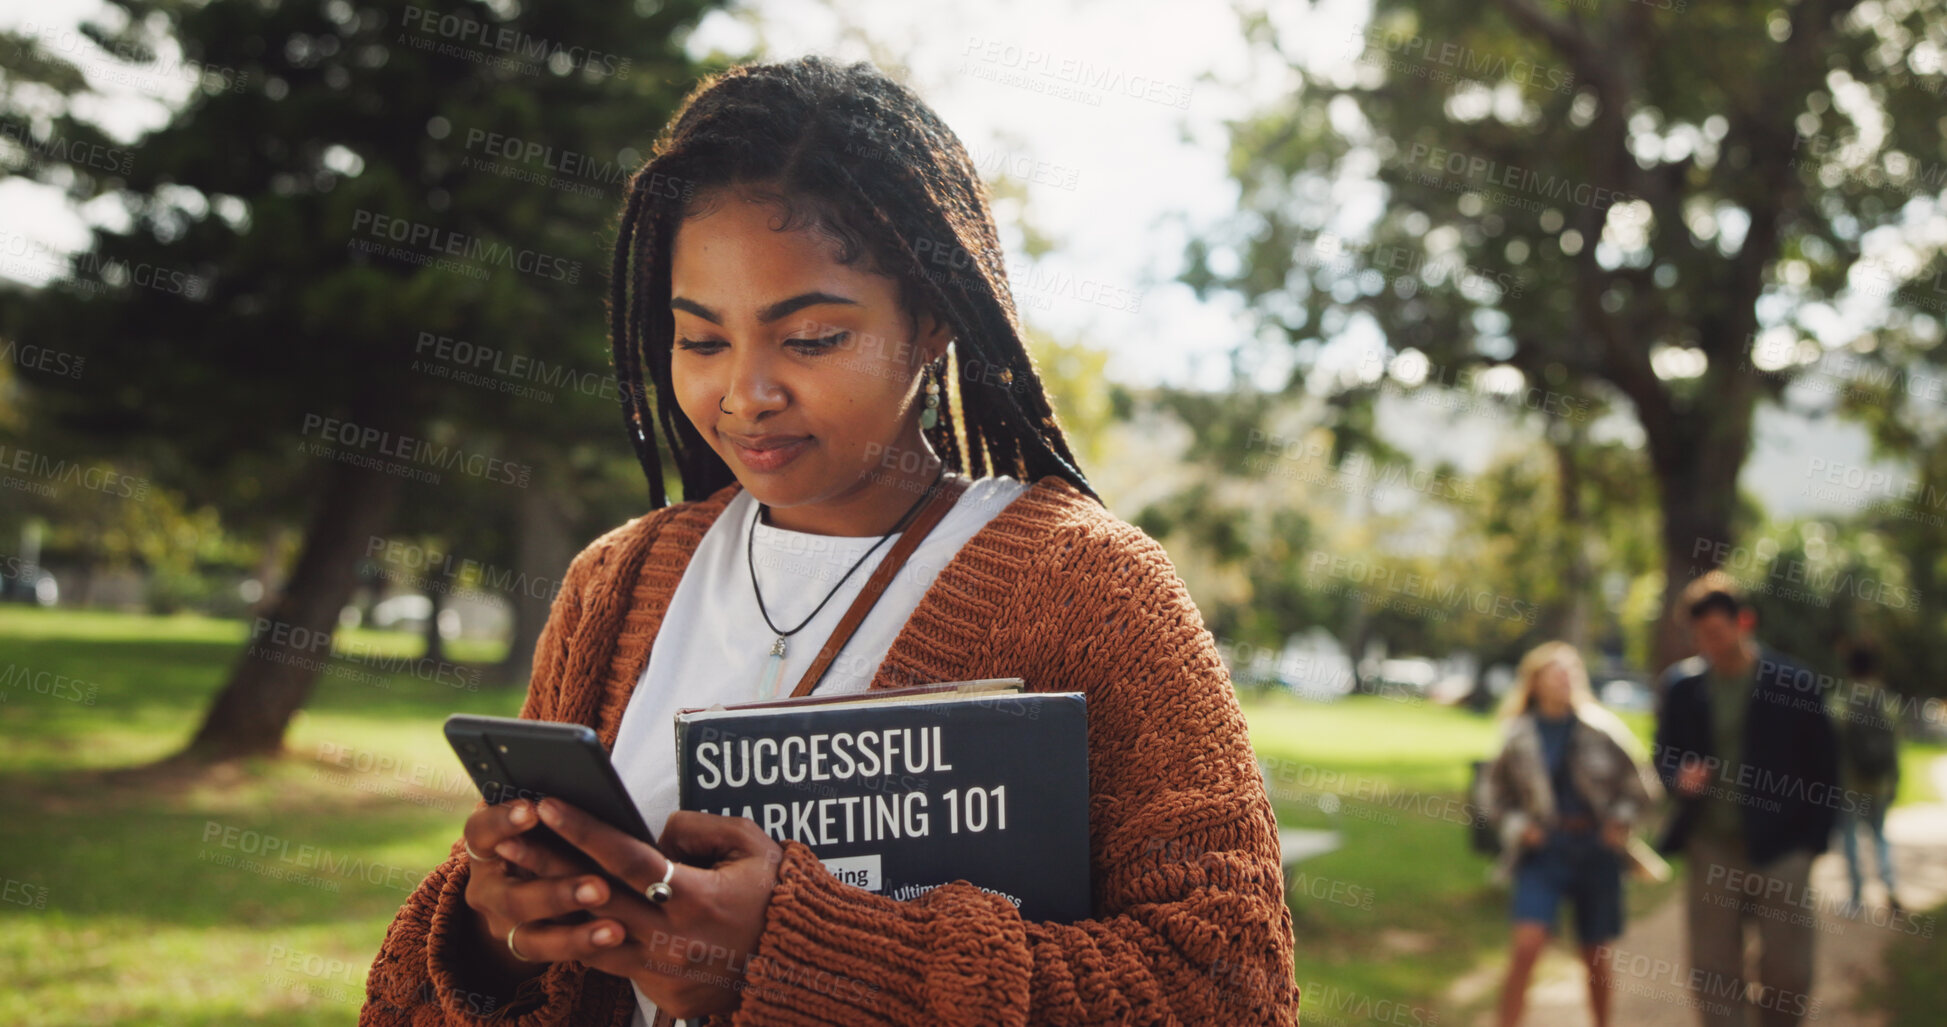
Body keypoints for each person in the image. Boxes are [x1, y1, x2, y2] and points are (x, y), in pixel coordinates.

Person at [360, 56, 1298, 1027]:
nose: (745, 393)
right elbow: (449, 992)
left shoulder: (1092, 587)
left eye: (808, 339)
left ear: (932, 320)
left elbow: (1227, 986)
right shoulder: (619, 579)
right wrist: (493, 937)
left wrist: (799, 965)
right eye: (701, 339)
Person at [1652, 571, 1840, 1027]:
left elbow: (1826, 769)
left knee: (1788, 972)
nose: (1709, 643)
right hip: (1712, 844)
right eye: (1699, 635)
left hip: (1782, 848)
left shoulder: (1794, 684)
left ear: (1744, 622)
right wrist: (1680, 775)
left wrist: (1811, 844)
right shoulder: (1682, 687)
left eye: (1716, 632)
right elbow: (1663, 756)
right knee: (1714, 970)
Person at [1482, 641, 1658, 1027]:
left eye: (1571, 671)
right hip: (1543, 851)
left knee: (1594, 952)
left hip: (1594, 848)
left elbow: (1641, 789)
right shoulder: (1519, 734)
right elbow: (1491, 796)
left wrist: (1619, 821)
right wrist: (1518, 827)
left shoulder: (1602, 728)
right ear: (1536, 681)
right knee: (1526, 947)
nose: (1565, 678)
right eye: (1555, 671)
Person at [1834, 643, 1903, 917]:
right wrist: (1895, 781)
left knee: (1850, 840)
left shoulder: (1841, 701)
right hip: (1881, 784)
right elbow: (1896, 747)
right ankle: (1890, 887)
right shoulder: (1888, 701)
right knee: (1880, 837)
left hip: (1849, 785)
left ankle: (1855, 898)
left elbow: (1832, 746)